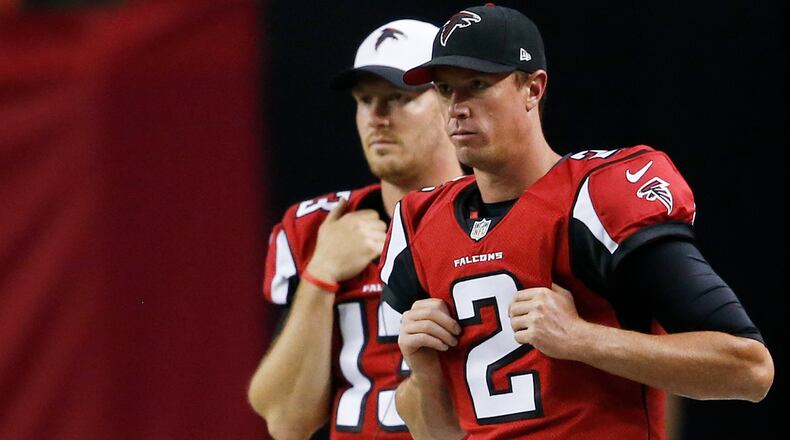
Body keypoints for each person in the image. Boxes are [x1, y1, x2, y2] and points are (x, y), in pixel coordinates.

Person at [379, 5, 774, 440]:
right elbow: (441, 435)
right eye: (445, 89)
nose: (457, 107)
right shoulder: (420, 222)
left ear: (533, 89)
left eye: (477, 85)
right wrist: (423, 367)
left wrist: (580, 338)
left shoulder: (596, 198)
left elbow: (749, 368)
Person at [247, 19, 462, 440]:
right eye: (365, 100)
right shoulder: (320, 227)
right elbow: (286, 420)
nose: (377, 117)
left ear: (451, 102)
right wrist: (320, 275)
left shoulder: (498, 218)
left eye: (398, 98)